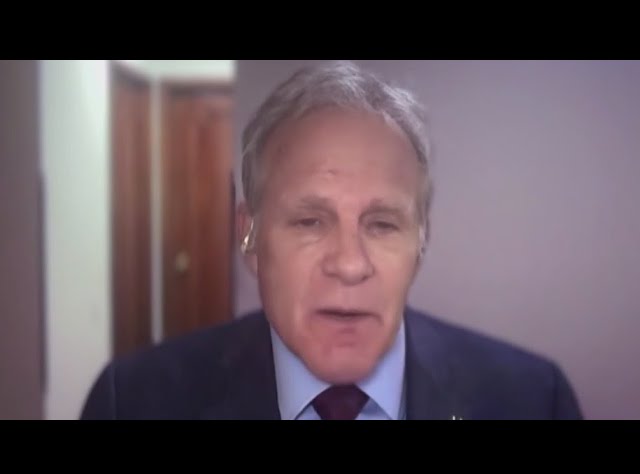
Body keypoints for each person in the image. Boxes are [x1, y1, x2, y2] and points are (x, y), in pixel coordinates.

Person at [81, 61, 583, 420]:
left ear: (422, 238)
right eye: (309, 222)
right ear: (249, 235)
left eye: (382, 224)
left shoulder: (535, 400)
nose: (349, 264)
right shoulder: (133, 402)